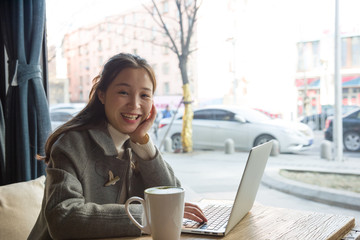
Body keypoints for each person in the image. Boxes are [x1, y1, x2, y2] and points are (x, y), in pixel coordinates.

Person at [28, 53, 207, 239]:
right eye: (123, 92)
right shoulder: (71, 144)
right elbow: (63, 218)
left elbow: (171, 197)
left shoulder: (136, 143)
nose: (135, 104)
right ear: (102, 95)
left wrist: (143, 143)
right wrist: (149, 215)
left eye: (144, 95)